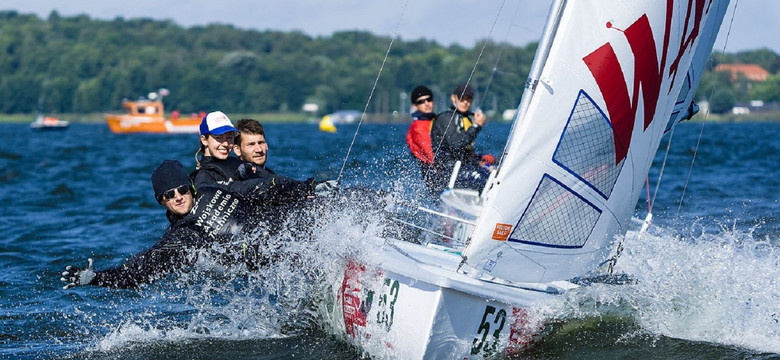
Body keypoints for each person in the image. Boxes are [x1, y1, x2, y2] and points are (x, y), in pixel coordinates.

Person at [60, 159, 323, 289]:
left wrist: (307, 187)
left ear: (191, 187)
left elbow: (262, 188)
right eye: (169, 195)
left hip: (292, 225)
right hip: (277, 256)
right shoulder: (182, 236)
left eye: (182, 190)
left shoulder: (211, 189)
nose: (178, 197)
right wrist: (96, 279)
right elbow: (142, 269)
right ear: (161, 201)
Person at [428, 83, 488, 194]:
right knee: (486, 181)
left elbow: (464, 151)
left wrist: (480, 160)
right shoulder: (446, 118)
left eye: (468, 99)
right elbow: (456, 143)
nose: (465, 102)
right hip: (447, 173)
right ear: (453, 98)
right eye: (461, 98)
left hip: (463, 169)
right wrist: (476, 126)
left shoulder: (466, 118)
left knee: (494, 173)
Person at [190, 111, 244, 190]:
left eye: (229, 137)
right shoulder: (202, 176)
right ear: (204, 140)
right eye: (218, 138)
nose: (225, 144)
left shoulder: (239, 164)